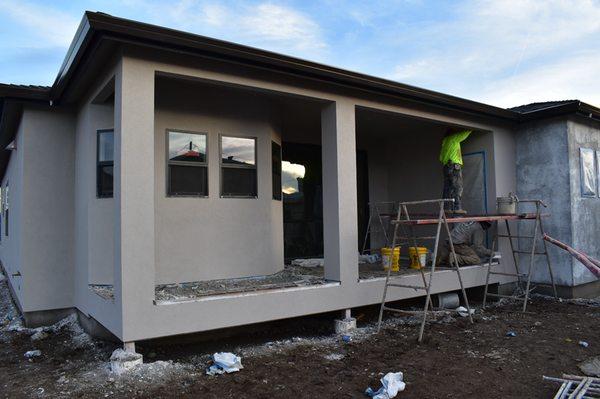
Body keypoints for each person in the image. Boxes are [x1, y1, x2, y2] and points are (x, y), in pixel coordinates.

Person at [440, 128, 471, 213]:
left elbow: (441, 158)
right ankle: (457, 208)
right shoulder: (453, 138)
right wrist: (471, 127)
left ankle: (446, 208)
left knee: (447, 188)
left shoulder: (444, 142)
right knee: (457, 187)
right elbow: (464, 134)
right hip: (454, 166)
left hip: (446, 167)